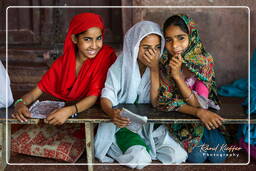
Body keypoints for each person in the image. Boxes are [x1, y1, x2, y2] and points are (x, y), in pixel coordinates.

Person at [11, 12, 117, 162]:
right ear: (74, 38)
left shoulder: (105, 55)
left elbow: (93, 96)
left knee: (65, 149)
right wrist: (20, 104)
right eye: (87, 39)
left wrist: (69, 110)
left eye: (98, 38)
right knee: (15, 140)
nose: (94, 45)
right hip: (69, 116)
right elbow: (35, 93)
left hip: (97, 115)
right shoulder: (63, 63)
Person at [95, 21, 187, 169]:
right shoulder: (121, 64)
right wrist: (112, 113)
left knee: (178, 155)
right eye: (146, 48)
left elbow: (157, 101)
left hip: (150, 126)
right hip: (124, 126)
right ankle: (133, 147)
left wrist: (155, 69)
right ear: (134, 45)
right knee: (140, 158)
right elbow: (107, 95)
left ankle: (145, 145)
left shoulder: (162, 65)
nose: (152, 53)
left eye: (157, 48)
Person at [158, 14, 228, 163]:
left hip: (204, 118)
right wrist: (175, 75)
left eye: (181, 38)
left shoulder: (204, 60)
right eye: (169, 40)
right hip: (178, 121)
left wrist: (178, 77)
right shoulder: (165, 62)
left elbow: (200, 103)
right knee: (198, 157)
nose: (175, 45)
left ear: (192, 35)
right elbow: (165, 101)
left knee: (219, 156)